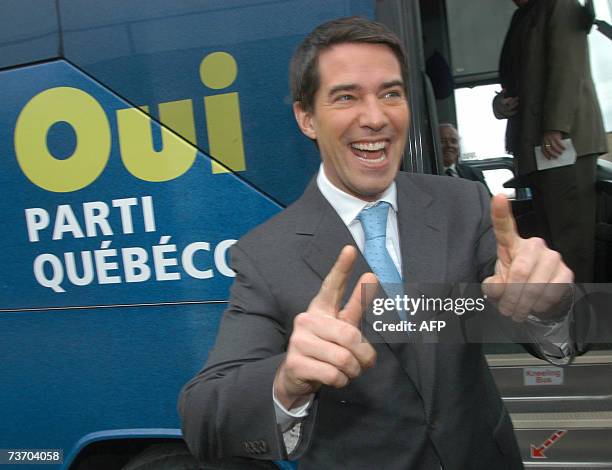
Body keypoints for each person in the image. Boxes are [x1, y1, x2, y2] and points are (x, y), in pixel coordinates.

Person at [180, 17, 580, 469]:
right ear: (306, 118)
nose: (375, 118)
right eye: (346, 96)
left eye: (391, 93)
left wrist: (547, 307)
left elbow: (546, 330)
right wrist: (286, 381)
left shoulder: (463, 203)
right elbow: (203, 419)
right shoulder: (265, 255)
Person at [494, 0, 608, 282]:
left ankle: (583, 319)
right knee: (551, 239)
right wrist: (501, 105)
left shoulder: (560, 5)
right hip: (534, 144)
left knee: (570, 243)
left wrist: (555, 127)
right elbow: (513, 80)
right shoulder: (522, 16)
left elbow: (567, 68)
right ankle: (562, 317)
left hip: (562, 143)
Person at [439, 123, 490, 193]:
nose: (449, 145)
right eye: (442, 141)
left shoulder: (474, 174)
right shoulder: (426, 174)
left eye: (453, 141)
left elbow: (488, 201)